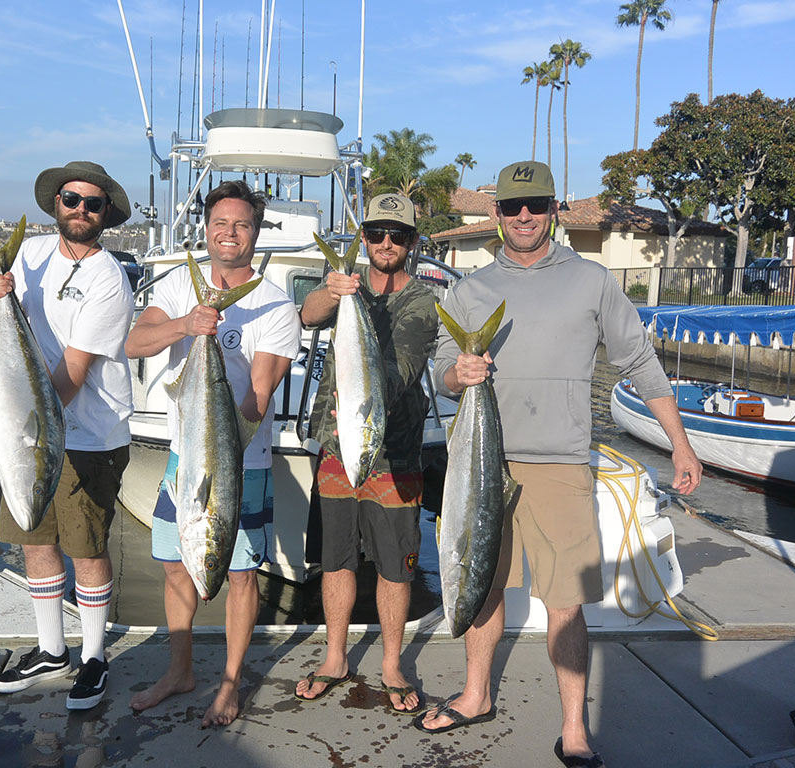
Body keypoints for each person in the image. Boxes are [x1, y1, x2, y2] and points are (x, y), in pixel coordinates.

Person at [422, 161, 702, 766]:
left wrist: (680, 442)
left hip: (561, 465)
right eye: (513, 206)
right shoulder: (467, 292)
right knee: (481, 585)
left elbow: (640, 363)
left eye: (537, 204)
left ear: (555, 210)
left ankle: (574, 728)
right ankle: (476, 695)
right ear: (496, 215)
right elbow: (441, 373)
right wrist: (456, 373)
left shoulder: (593, 282)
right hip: (481, 460)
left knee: (565, 599)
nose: (525, 216)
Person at [124, 180, 301, 726]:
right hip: (183, 461)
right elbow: (135, 342)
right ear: (206, 229)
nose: (229, 234)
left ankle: (229, 684)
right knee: (175, 566)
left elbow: (259, 396)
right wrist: (188, 326)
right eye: (220, 223)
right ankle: (180, 671)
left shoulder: (275, 305)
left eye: (242, 225)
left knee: (242, 575)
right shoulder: (180, 285)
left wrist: (224, 426)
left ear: (254, 232)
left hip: (238, 463)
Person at [0, 161, 135, 711]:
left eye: (93, 204)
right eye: (72, 199)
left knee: (86, 546)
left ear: (104, 216)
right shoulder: (26, 257)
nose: (80, 209)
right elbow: (7, 336)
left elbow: (72, 375)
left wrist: (20, 423)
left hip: (87, 434)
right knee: (34, 536)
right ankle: (52, 651)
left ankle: (93, 656)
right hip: (26, 428)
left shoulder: (109, 279)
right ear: (57, 202)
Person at [293, 194, 439, 715]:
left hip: (393, 453)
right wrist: (334, 294)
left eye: (396, 235)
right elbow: (307, 316)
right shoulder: (345, 286)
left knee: (396, 567)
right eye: (375, 232)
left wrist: (354, 310)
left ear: (411, 243)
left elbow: (398, 375)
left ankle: (393, 663)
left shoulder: (421, 301)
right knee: (335, 558)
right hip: (338, 447)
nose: (384, 243)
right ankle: (335, 657)